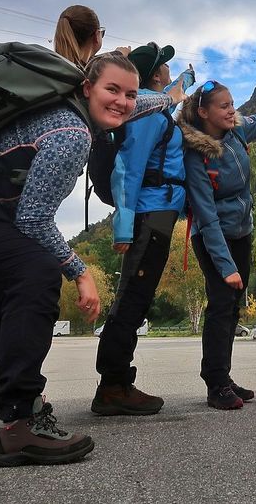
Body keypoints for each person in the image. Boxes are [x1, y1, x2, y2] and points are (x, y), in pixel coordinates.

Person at [0, 6, 179, 467]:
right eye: (112, 90)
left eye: (129, 93)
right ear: (85, 88)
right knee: (37, 275)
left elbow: (133, 105)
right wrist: (80, 272)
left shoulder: (80, 110)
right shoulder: (71, 133)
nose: (123, 102)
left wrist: (167, 98)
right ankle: (19, 422)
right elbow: (33, 221)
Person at [92, 43, 193, 416]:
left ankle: (116, 382)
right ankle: (113, 385)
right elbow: (128, 169)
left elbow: (177, 90)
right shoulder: (149, 115)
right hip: (148, 216)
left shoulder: (158, 107)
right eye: (164, 65)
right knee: (132, 297)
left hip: (159, 214)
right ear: (154, 75)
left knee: (138, 296)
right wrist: (122, 227)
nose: (169, 69)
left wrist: (188, 79)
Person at [179, 80, 256, 409]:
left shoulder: (237, 130)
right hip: (212, 236)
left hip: (241, 232)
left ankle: (224, 376)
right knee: (220, 303)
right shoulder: (195, 155)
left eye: (233, 104)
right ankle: (215, 383)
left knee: (232, 308)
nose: (232, 111)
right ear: (204, 113)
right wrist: (226, 266)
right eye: (224, 106)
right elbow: (206, 215)